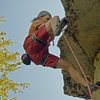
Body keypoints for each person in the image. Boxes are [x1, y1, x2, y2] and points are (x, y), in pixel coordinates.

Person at [21, 10, 100, 91]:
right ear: (40, 17)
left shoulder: (45, 33)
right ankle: (56, 28)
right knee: (55, 18)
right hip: (32, 43)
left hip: (40, 57)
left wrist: (50, 36)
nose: (48, 21)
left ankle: (87, 85)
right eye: (47, 18)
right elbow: (42, 27)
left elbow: (46, 38)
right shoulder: (37, 22)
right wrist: (53, 29)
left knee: (68, 66)